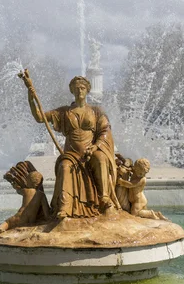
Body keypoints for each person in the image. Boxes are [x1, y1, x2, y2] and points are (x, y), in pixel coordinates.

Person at [26, 76, 120, 218]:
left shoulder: (96, 111)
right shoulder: (64, 111)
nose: (79, 91)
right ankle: (65, 206)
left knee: (101, 159)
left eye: (82, 88)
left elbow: (105, 131)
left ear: (87, 90)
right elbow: (40, 117)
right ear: (72, 91)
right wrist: (30, 96)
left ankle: (104, 197)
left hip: (91, 150)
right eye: (76, 88)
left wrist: (95, 147)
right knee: (64, 167)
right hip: (71, 153)